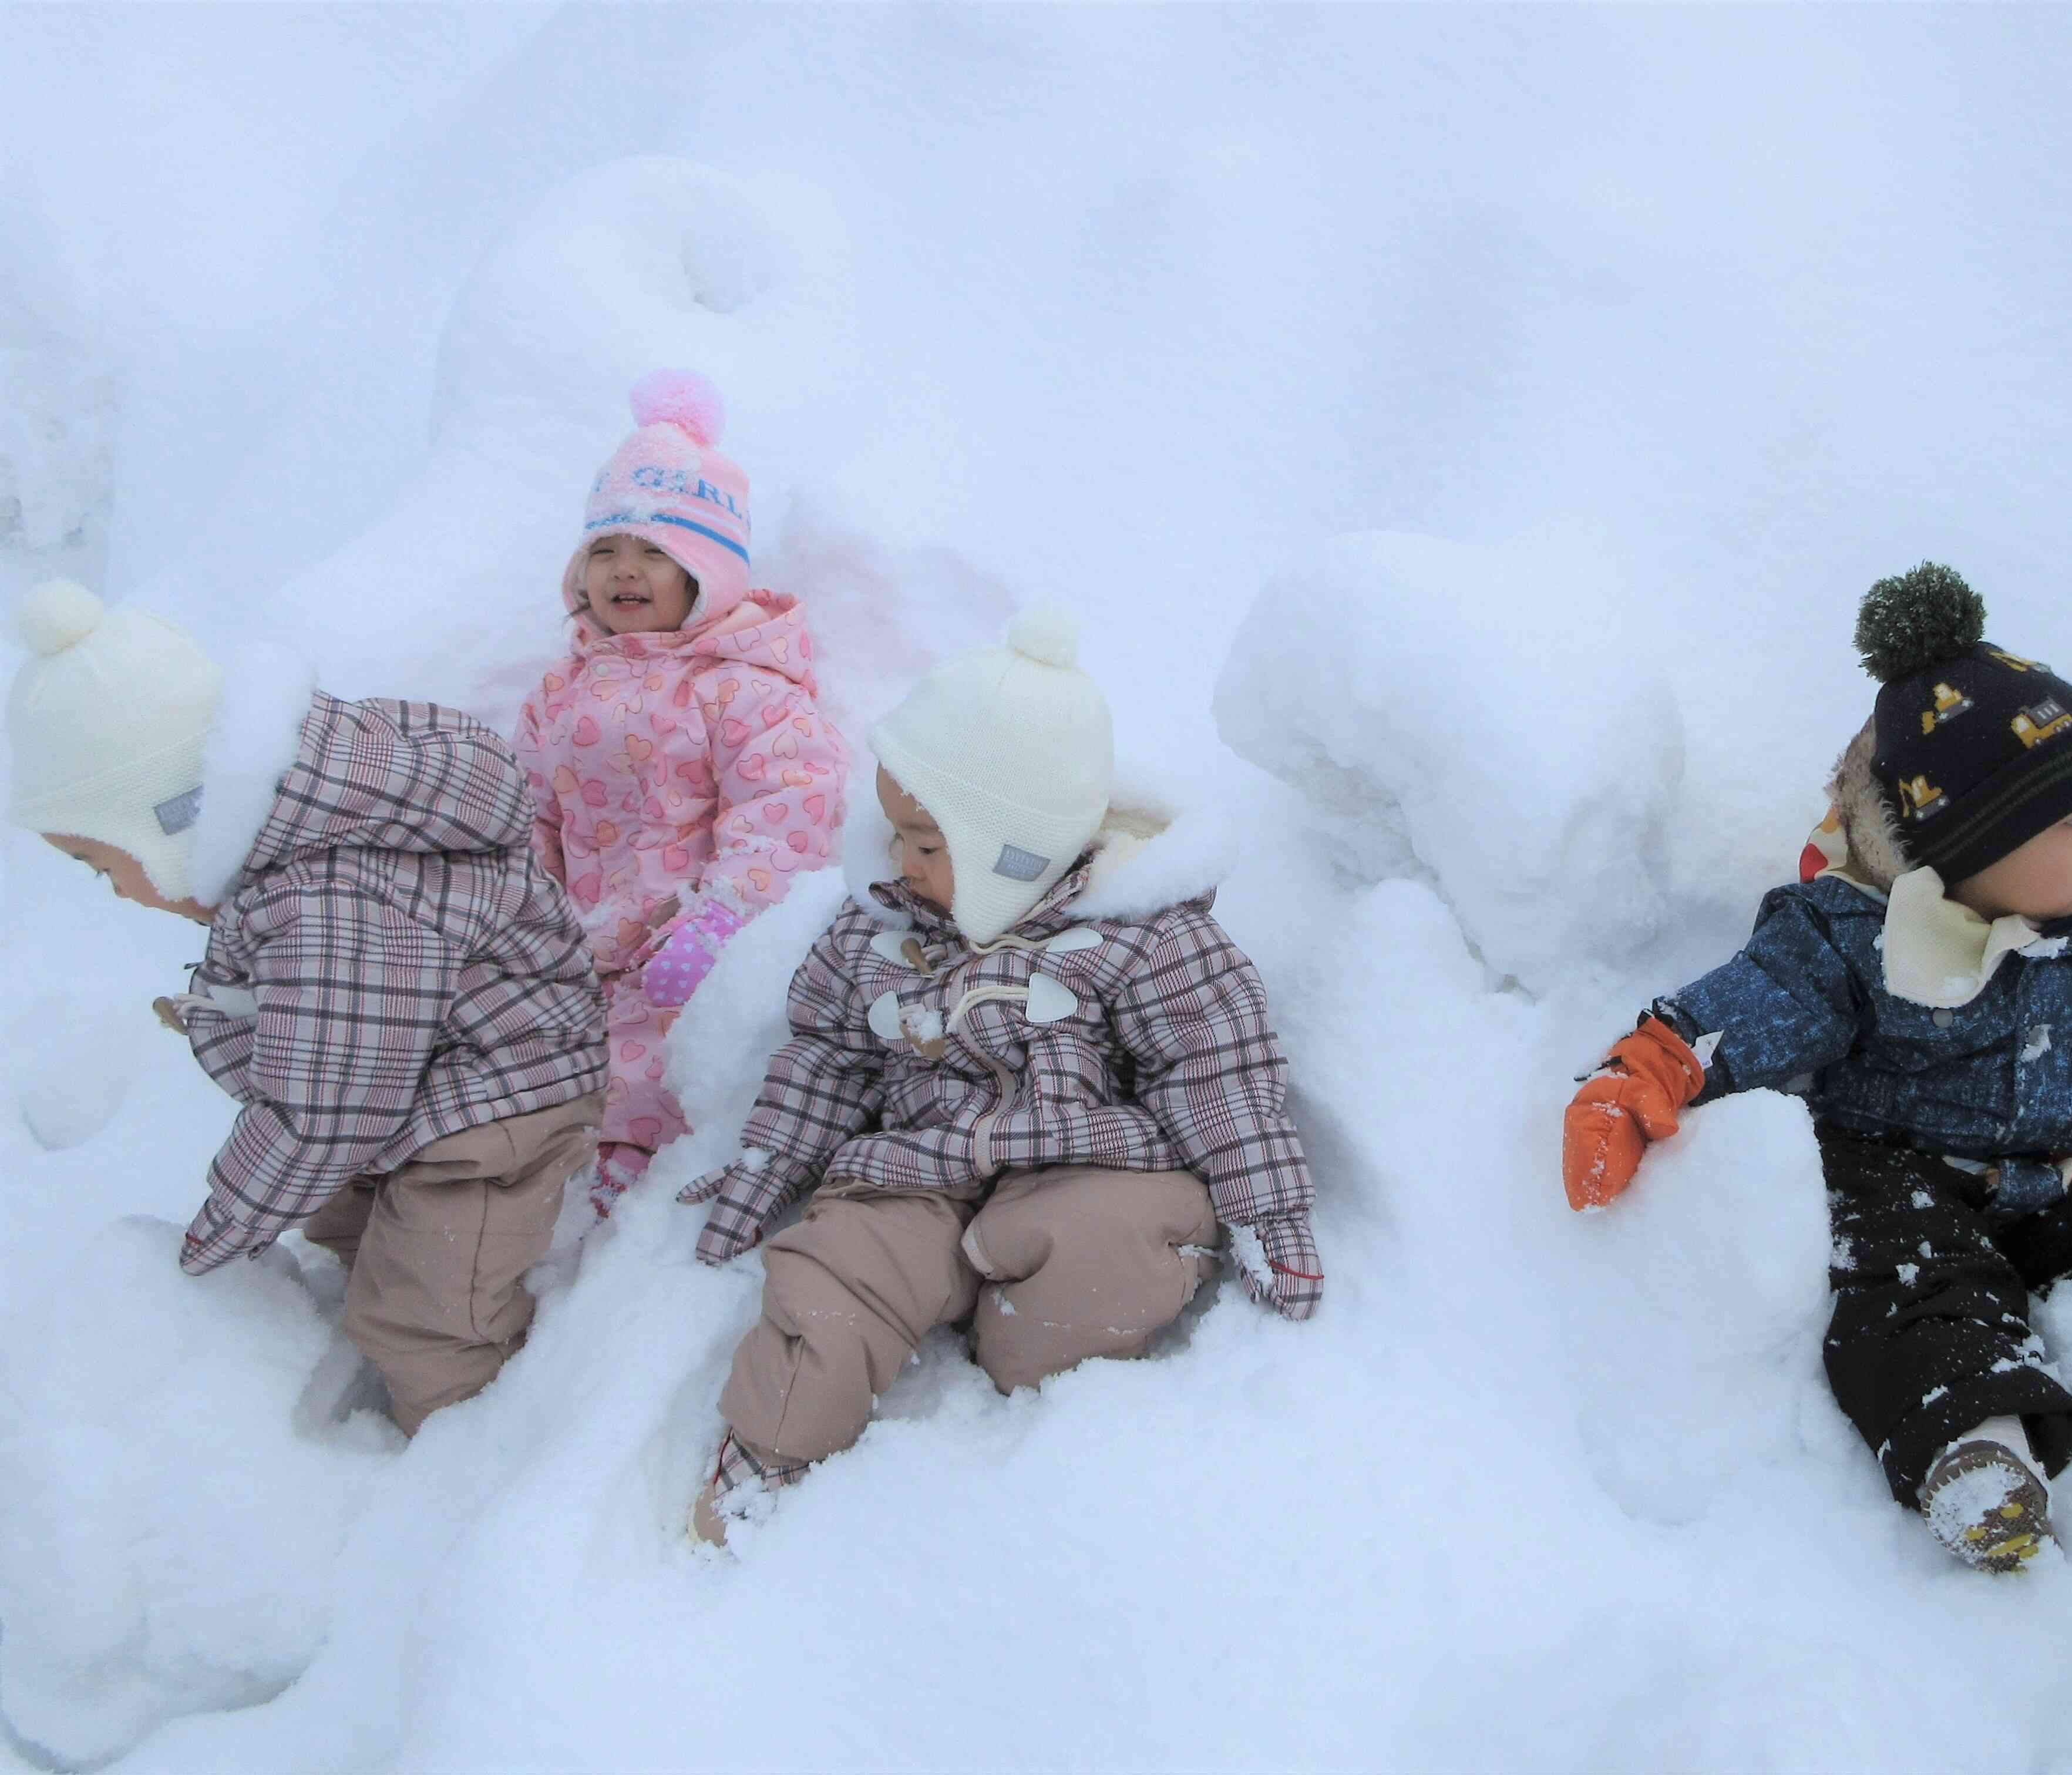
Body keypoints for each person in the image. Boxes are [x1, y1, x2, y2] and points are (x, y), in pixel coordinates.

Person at [1558, 563, 2072, 1572]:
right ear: (1962, 852)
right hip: (1907, 1172)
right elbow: (1759, 1003)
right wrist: (1657, 1066)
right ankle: (1976, 1449)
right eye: (2064, 826)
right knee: (1903, 1294)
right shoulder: (1860, 938)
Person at [680, 609, 1323, 1543]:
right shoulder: (881, 926)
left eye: (929, 844)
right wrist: (767, 1168)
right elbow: (827, 1053)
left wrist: (1270, 1216)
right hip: (918, 1166)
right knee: (832, 1276)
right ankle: (768, 1449)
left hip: (1086, 1164)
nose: (900, 861)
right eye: (896, 832)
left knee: (1106, 1251)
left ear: (1011, 848)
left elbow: (1217, 1074)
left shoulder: (1144, 930)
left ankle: (1023, 1367)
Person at [7, 580, 607, 1435]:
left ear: (171, 821)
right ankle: (387, 1282)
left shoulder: (332, 900)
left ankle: (458, 1436)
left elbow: (322, 1114)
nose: (117, 893)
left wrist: (216, 1241)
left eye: (107, 865)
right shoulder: (292, 834)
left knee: (428, 1308)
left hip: (499, 1100)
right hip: (411, 1072)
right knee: (340, 1207)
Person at [512, 369, 846, 1215]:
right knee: (534, 1065)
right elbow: (528, 815)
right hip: (574, 949)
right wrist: (517, 912)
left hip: (689, 951)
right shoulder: (563, 691)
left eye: (657, 551)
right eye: (606, 550)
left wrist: (719, 925)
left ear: (709, 570)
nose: (626, 570)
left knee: (658, 1069)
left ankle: (635, 1208)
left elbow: (787, 819)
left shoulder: (744, 687)